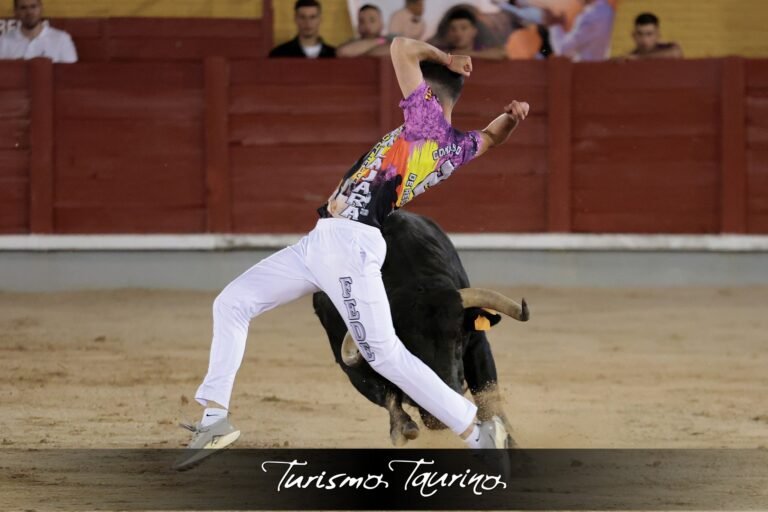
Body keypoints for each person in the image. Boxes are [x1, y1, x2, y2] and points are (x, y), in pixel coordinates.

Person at [175, 36, 530, 470]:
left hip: (350, 242)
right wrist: (511, 118)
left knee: (384, 354)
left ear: (429, 96)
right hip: (323, 241)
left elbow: (401, 46)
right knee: (232, 302)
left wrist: (445, 57)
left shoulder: (427, 122)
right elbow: (492, 137)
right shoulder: (454, 146)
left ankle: (478, 433)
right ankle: (214, 417)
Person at [0, 0, 77, 63]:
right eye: (23, 8)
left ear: (41, 8)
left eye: (33, 6)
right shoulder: (3, 41)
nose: (29, 12)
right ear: (15, 11)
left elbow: (70, 75)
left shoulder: (61, 39)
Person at [547, 0, 614, 61]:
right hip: (603, 70)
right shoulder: (610, 12)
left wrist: (554, 25)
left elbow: (563, 50)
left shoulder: (589, 17)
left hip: (586, 71)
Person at [268, 0, 335, 59]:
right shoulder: (279, 55)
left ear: (320, 19)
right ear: (295, 19)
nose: (307, 22)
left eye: (312, 17)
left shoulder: (333, 55)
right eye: (302, 17)